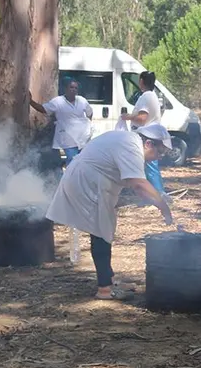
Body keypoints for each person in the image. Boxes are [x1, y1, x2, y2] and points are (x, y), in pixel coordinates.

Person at [46, 123, 176, 300]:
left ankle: (109, 279)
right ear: (148, 144)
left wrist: (155, 199)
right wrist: (163, 207)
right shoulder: (132, 146)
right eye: (159, 152)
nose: (158, 158)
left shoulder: (130, 142)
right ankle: (104, 289)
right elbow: (139, 183)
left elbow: (137, 187)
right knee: (101, 233)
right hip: (87, 183)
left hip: (91, 181)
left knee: (104, 230)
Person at [120, 71, 166, 194]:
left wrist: (128, 117)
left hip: (147, 136)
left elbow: (142, 118)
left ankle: (159, 194)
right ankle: (151, 193)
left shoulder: (146, 96)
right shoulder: (152, 95)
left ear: (141, 81)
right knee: (148, 166)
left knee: (150, 166)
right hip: (150, 134)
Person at [29, 78, 94, 166]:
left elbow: (89, 113)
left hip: (83, 138)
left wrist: (88, 125)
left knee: (82, 161)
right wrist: (31, 101)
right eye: (71, 87)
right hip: (68, 138)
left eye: (75, 88)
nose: (73, 90)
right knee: (72, 161)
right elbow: (43, 109)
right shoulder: (58, 101)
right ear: (66, 89)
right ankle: (69, 179)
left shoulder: (82, 100)